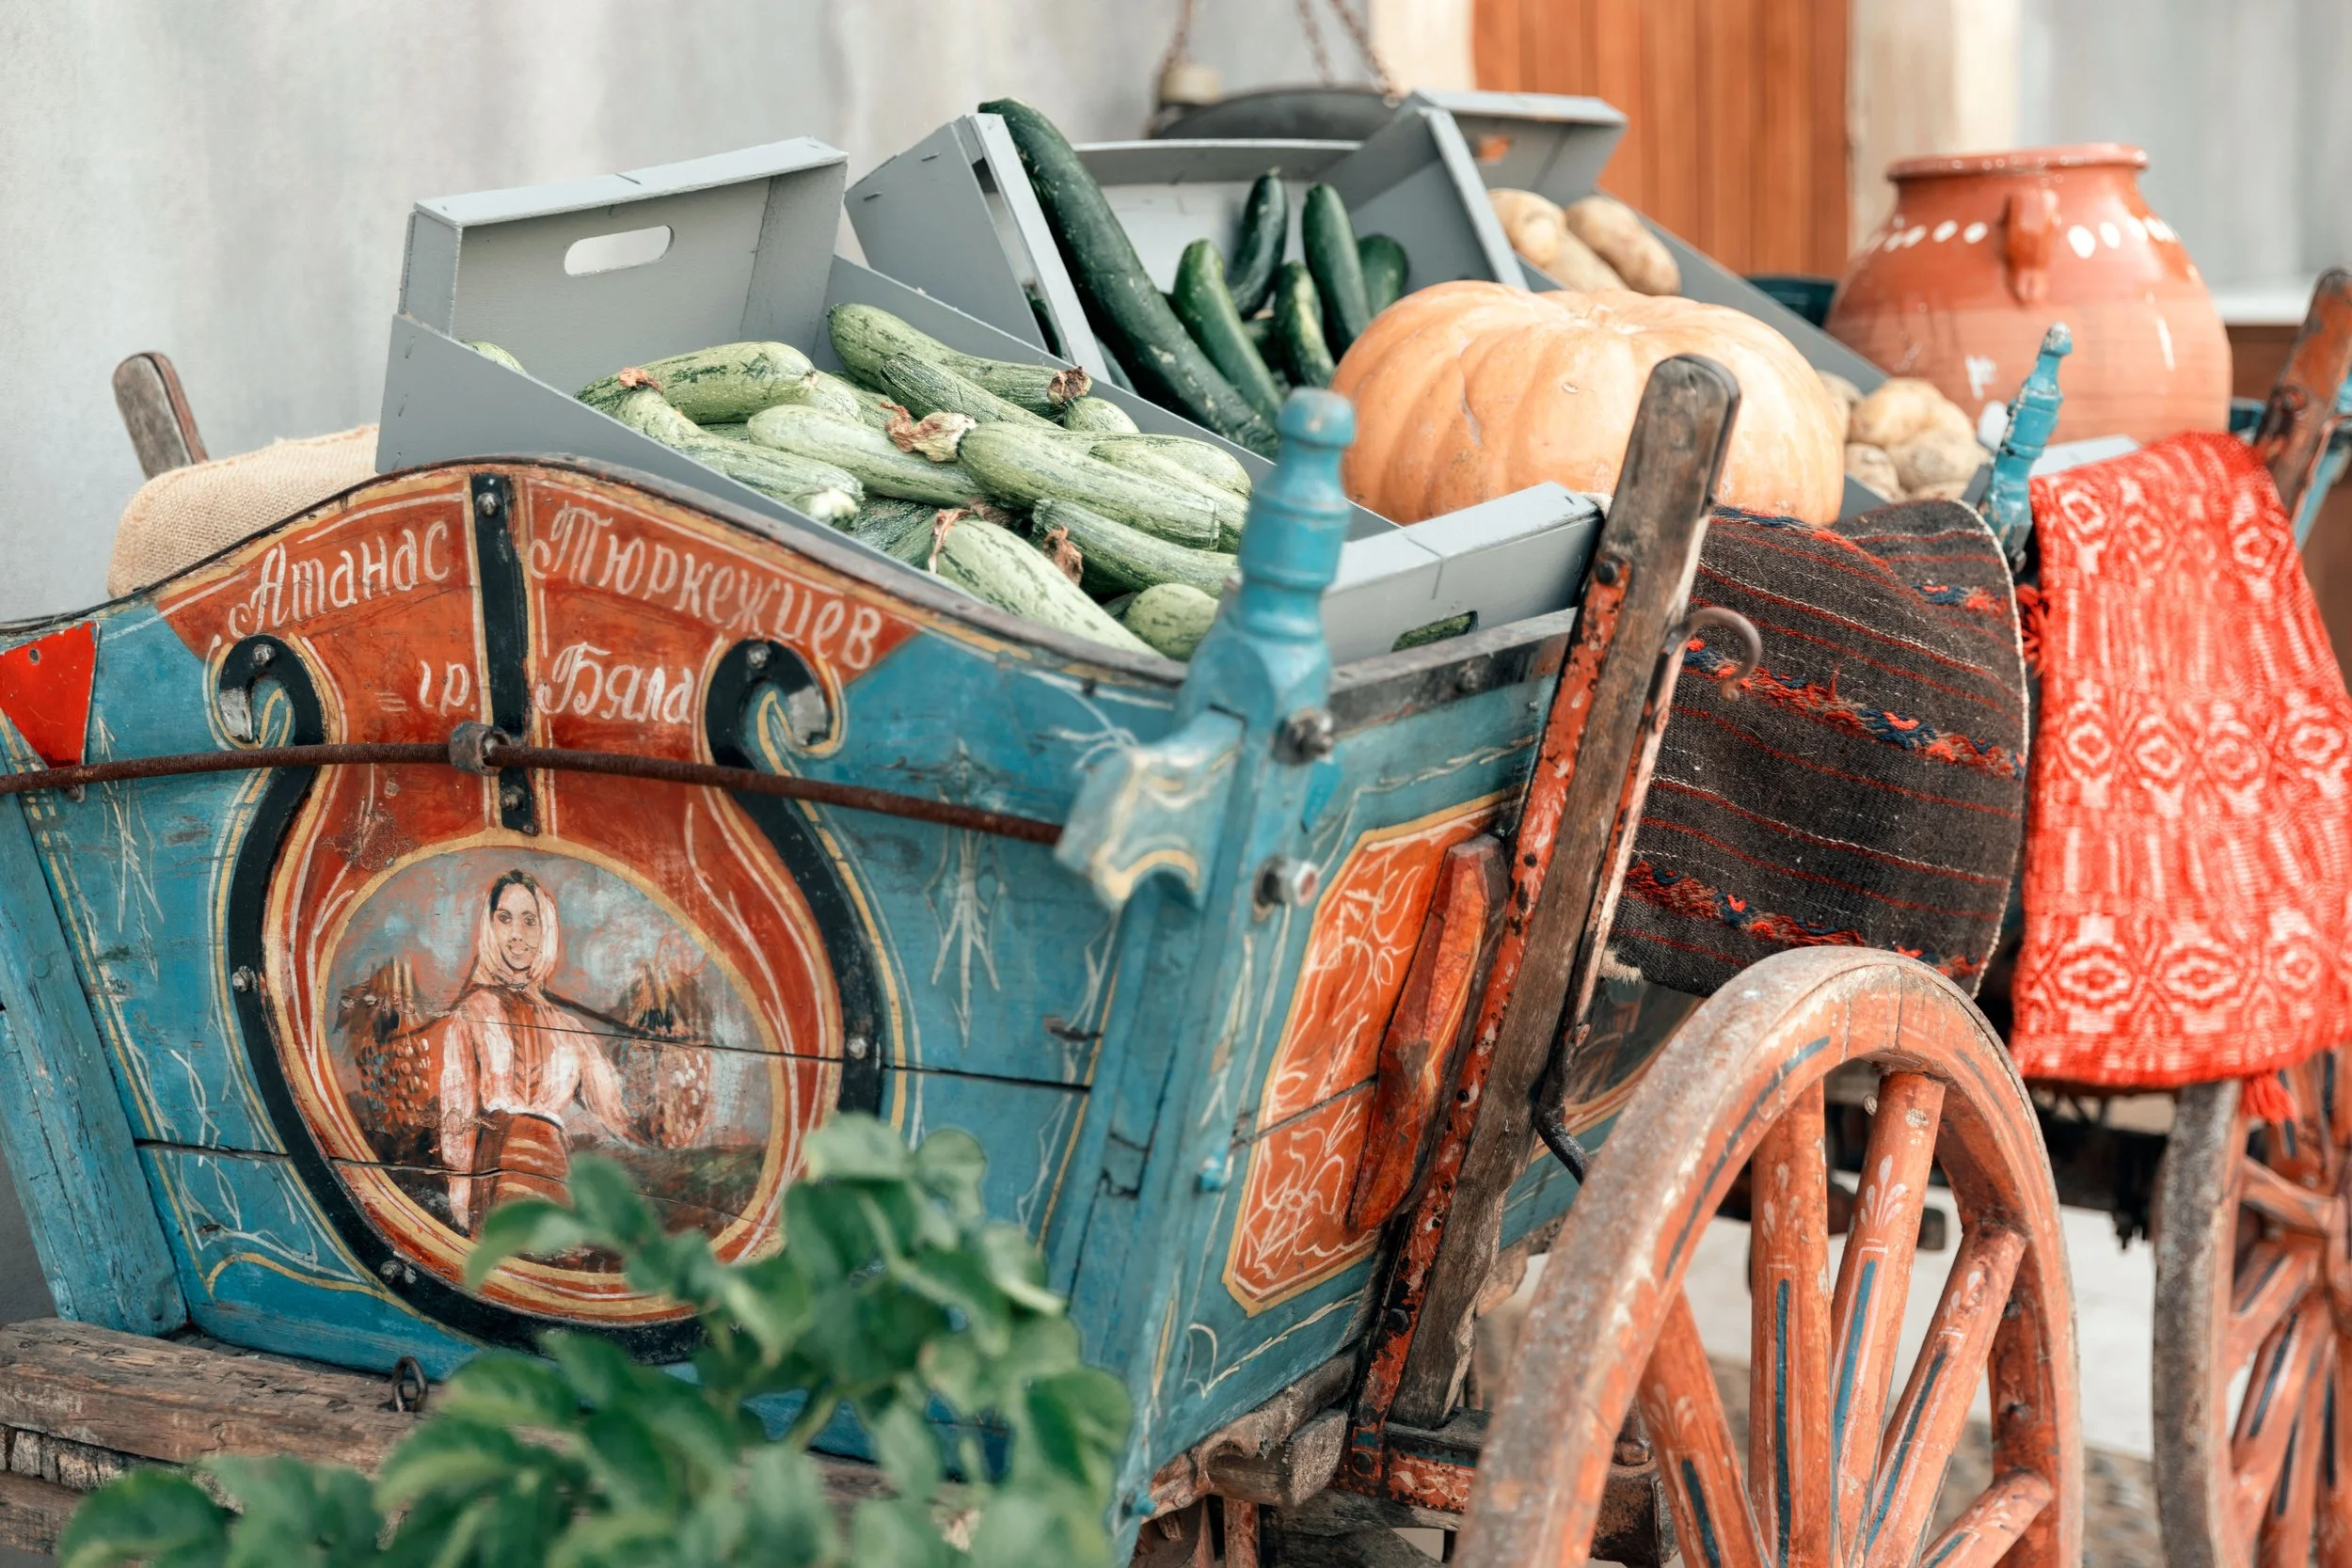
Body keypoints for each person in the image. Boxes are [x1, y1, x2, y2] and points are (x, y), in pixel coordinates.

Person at [437, 869, 634, 1234]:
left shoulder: (568, 1027)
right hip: (495, 1177)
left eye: (530, 921)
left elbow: (618, 1113)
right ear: (490, 926)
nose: (517, 935)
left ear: (546, 930)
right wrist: (461, 1190)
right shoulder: (474, 1011)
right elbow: (458, 1107)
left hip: (554, 1178)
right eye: (505, 918)